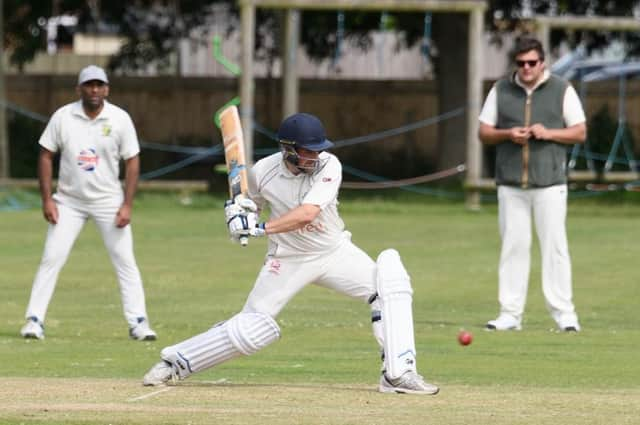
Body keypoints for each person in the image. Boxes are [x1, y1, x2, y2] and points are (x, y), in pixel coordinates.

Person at [143, 113, 439, 395]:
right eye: (308, 151)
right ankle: (174, 362)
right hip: (287, 259)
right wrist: (238, 215)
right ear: (288, 149)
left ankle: (397, 374)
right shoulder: (263, 172)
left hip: (334, 252)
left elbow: (307, 214)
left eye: (317, 150)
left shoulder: (329, 165)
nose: (314, 156)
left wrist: (258, 228)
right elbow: (252, 204)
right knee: (251, 327)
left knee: (390, 285)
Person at [19, 65, 157, 341]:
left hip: (109, 201)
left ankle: (138, 322)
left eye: (99, 85)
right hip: (69, 202)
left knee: (124, 260)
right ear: (79, 88)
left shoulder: (119, 119)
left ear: (106, 89)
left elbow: (132, 161)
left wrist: (127, 204)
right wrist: (47, 199)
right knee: (51, 258)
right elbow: (45, 155)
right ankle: (34, 320)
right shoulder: (63, 117)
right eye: (89, 85)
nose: (94, 90)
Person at [478, 36, 586, 332]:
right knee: (513, 247)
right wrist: (508, 134)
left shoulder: (562, 89)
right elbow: (484, 131)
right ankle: (510, 313)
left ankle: (565, 314)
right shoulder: (501, 89)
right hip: (511, 183)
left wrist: (548, 133)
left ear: (542, 63)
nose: (526, 68)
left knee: (555, 248)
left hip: (550, 183)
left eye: (532, 63)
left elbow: (579, 132)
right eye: (521, 63)